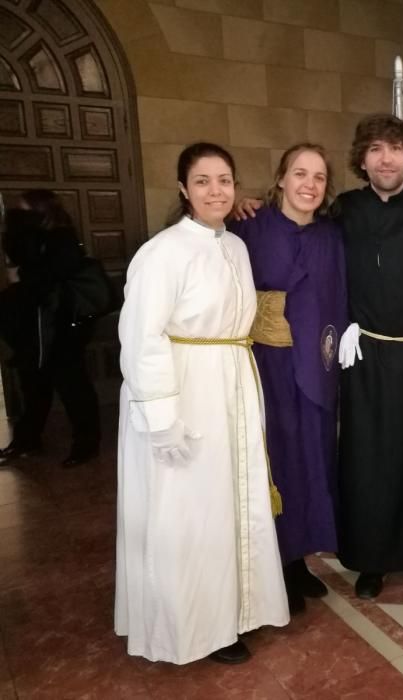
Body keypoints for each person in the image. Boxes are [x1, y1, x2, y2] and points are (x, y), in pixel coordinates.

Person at [115, 143, 289, 665]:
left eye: (225, 180)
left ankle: (235, 613)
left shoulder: (235, 246)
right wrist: (161, 417)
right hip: (186, 393)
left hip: (231, 383)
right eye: (204, 181)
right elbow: (141, 337)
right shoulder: (162, 252)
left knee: (231, 504)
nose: (216, 191)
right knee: (188, 512)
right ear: (183, 190)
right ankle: (193, 628)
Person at [228, 143, 347, 614]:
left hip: (313, 368)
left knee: (310, 462)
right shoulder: (248, 226)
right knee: (273, 462)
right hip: (265, 367)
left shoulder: (332, 237)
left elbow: (338, 295)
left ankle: (299, 558)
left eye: (319, 177)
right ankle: (273, 564)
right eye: (300, 173)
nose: (309, 185)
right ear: (280, 179)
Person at [335, 114, 403, 599]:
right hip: (366, 356)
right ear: (362, 158)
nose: (386, 159)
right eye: (376, 149)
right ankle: (373, 560)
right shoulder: (342, 209)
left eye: (395, 149)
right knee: (368, 458)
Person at [0, 190, 102, 466]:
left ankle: (86, 444)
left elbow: (45, 279)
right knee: (33, 387)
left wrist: (22, 275)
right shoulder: (30, 238)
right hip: (34, 329)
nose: (17, 217)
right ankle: (26, 440)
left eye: (24, 211)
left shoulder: (61, 240)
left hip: (60, 328)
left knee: (73, 387)